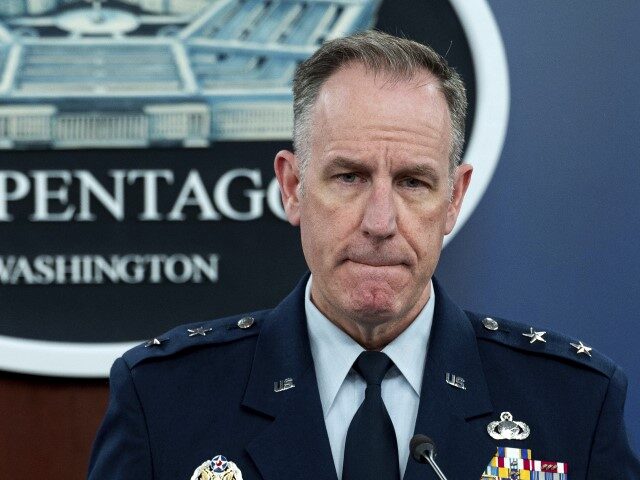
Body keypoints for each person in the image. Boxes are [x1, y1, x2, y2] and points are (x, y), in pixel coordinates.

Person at [88, 30, 640, 480]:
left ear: (454, 198)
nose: (380, 223)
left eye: (413, 182)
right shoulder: (163, 401)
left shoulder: (572, 404)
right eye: (349, 177)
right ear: (293, 187)